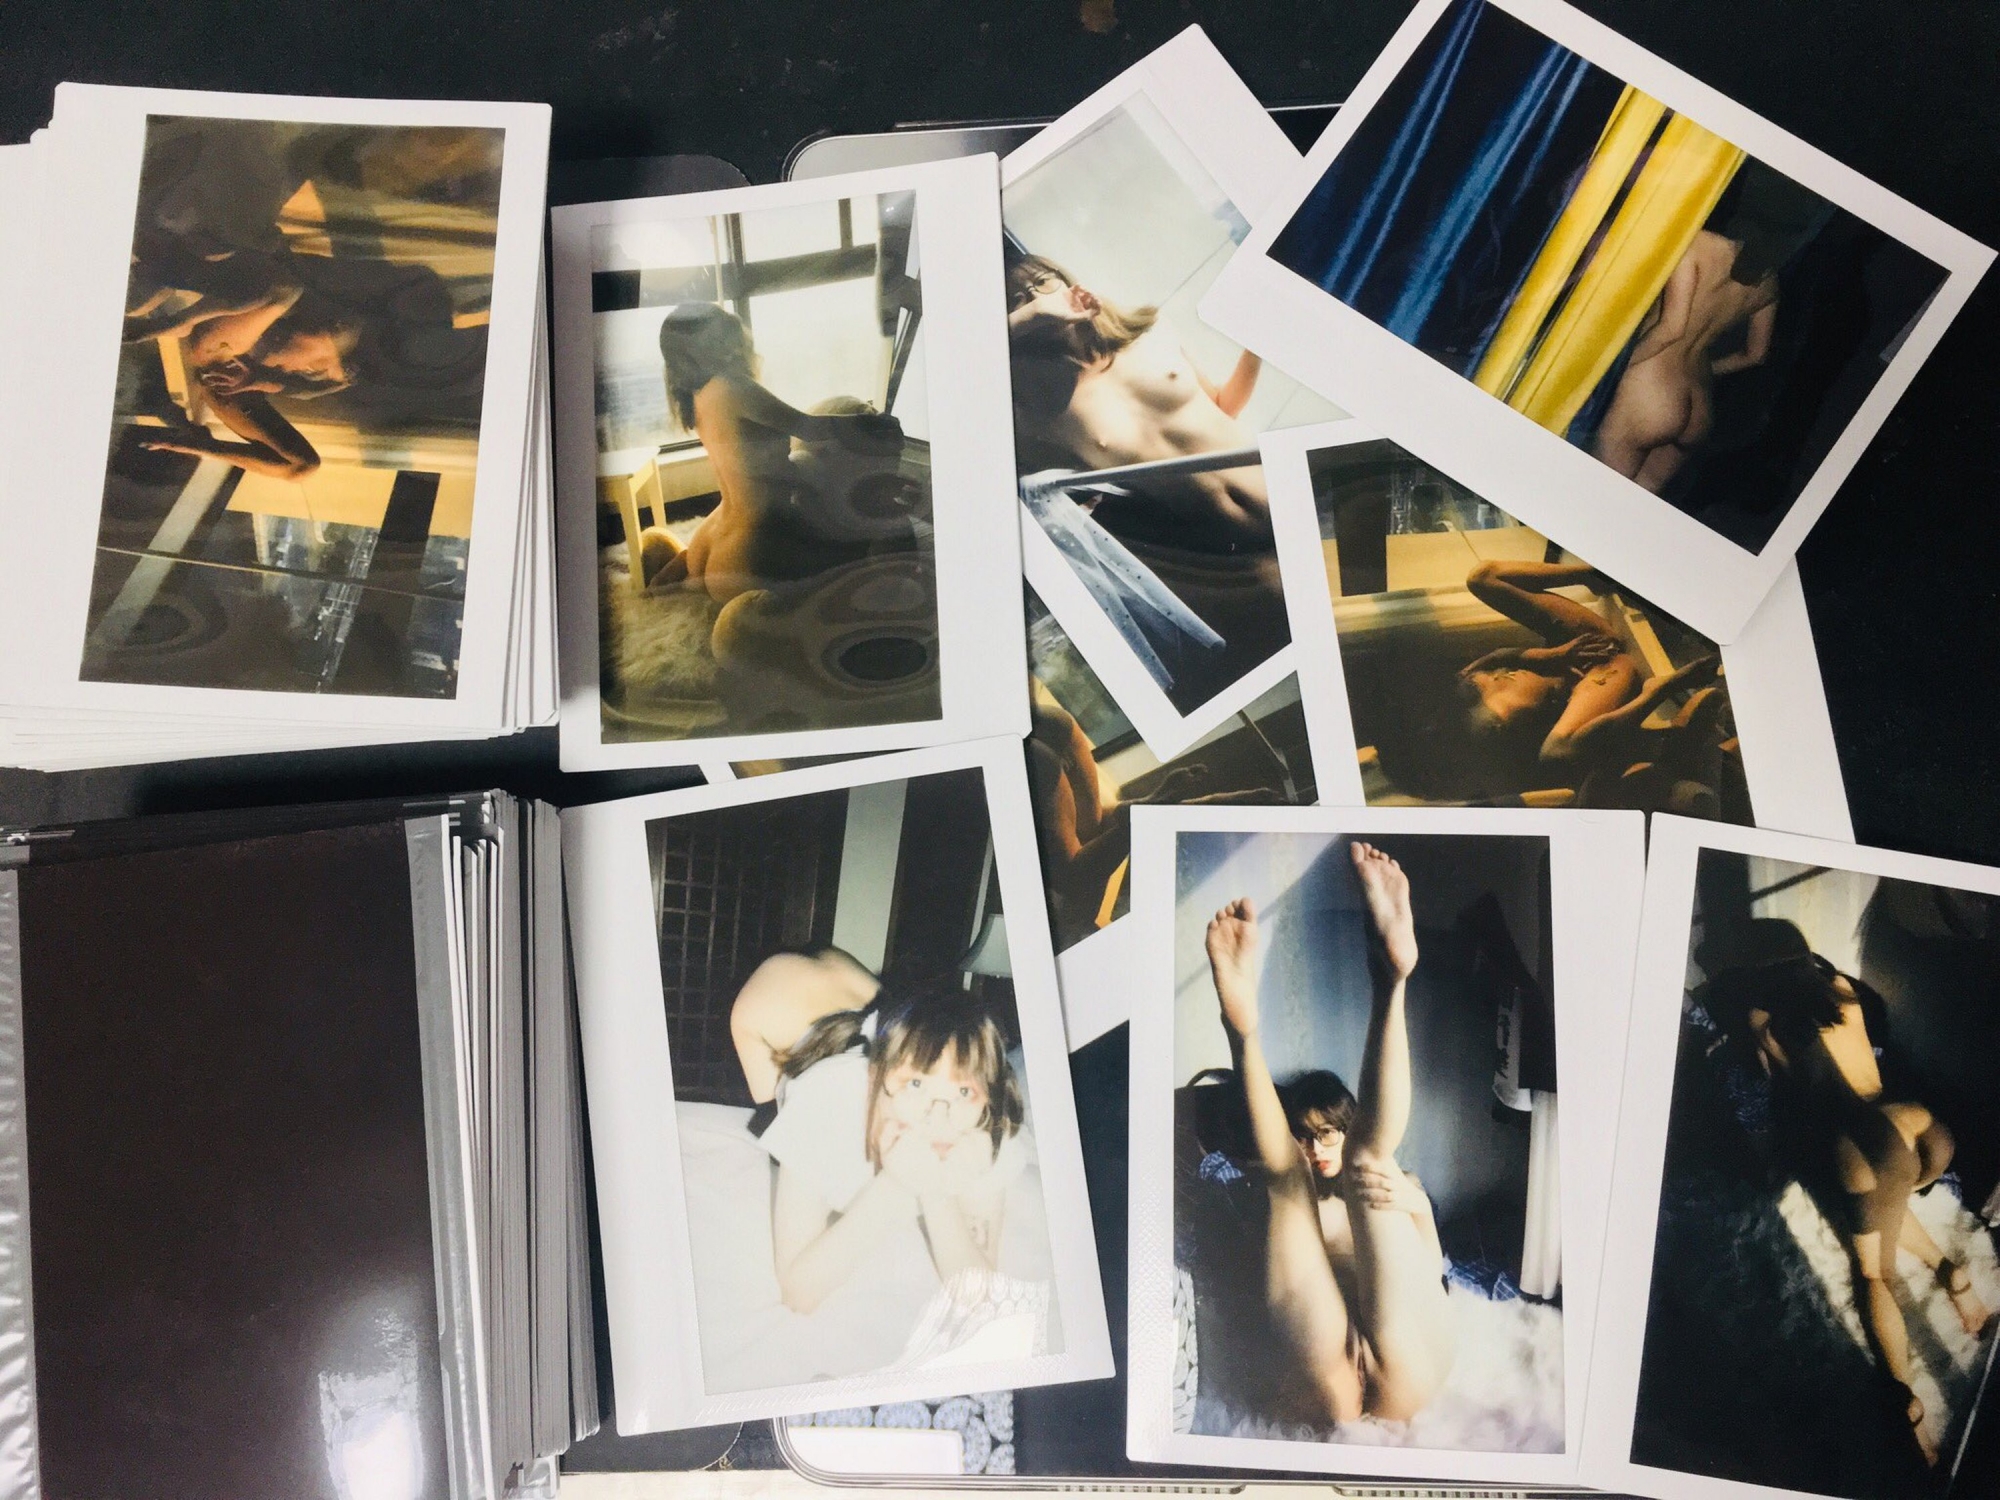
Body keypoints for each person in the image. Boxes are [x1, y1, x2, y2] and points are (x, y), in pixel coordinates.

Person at [1702, 922, 1993, 1464]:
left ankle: (1906, 1406)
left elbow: (1773, 1094)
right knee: (1890, 1199)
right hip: (1920, 1126)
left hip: (1864, 1145)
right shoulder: (1838, 987)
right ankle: (1956, 1281)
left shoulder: (1760, 1020)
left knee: (1872, 1274)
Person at [1204, 843, 1455, 1425]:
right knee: (1312, 1174)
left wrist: (1418, 1204)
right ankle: (1253, 1028)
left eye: (1329, 1133)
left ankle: (1389, 978)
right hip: (1345, 1362)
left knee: (1363, 1165)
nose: (1316, 1148)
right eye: (1304, 1134)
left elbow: (1432, 1270)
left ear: (1346, 1126)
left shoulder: (1396, 1189)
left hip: (1392, 1351)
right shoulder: (1289, 1197)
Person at [756, 988, 1037, 1316]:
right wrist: (895, 1184)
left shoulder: (986, 1128)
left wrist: (936, 1191)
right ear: (874, 1078)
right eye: (916, 1085)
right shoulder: (824, 1099)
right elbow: (798, 1293)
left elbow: (977, 1297)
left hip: (887, 1036)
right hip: (791, 1010)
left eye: (963, 1091)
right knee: (761, 1010)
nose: (937, 1118)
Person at [1379, 558, 1728, 810]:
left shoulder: (1455, 695)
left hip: (1579, 649)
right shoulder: (1489, 748)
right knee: (1558, 752)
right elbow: (1558, 753)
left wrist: (1551, 656)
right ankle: (1661, 694)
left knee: (1482, 578)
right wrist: (1661, 690)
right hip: (1600, 677)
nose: (1498, 678)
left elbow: (1500, 656)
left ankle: (1594, 574)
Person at [638, 303, 904, 605]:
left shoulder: (697, 396)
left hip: (710, 539)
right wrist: (874, 424)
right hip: (746, 553)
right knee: (854, 557)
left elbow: (756, 465)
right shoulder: (734, 386)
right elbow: (810, 427)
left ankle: (676, 579)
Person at [1006, 255, 1270, 553]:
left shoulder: (1151, 335)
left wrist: (1256, 344)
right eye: (1018, 300)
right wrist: (1027, 318)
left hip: (1278, 488)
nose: (1037, 299)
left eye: (1042, 281)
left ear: (1066, 280)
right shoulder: (1046, 413)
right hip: (1222, 558)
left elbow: (1224, 405)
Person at [1591, 229, 1780, 494]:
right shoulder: (1769, 282)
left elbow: (1671, 329)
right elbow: (1755, 356)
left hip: (1652, 391)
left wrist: (1608, 370)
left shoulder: (1697, 242)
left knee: (1596, 492)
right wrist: (1709, 369)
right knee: (1633, 502)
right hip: (1700, 401)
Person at [728, 946, 882, 1106]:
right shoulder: (833, 956)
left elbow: (772, 1108)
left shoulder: (745, 1011)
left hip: (857, 1079)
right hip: (891, 1052)